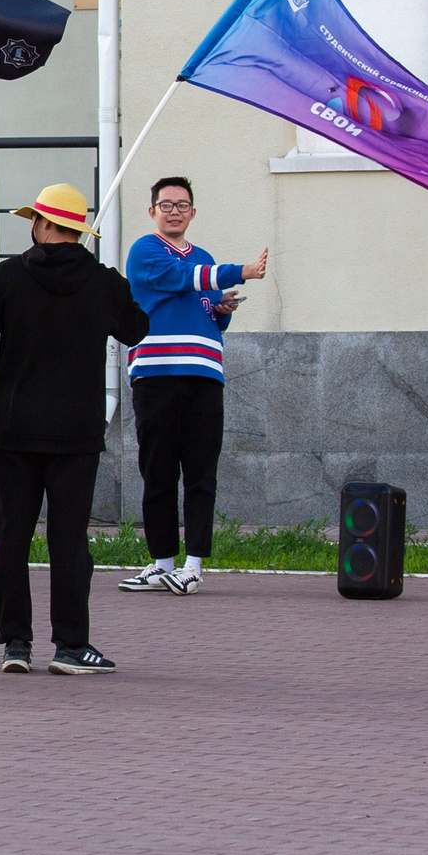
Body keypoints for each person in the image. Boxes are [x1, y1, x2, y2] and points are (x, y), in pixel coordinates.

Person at [0, 185, 149, 674]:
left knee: (11, 539)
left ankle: (16, 644)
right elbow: (137, 328)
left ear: (41, 224)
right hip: (76, 432)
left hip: (13, 428)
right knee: (69, 541)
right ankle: (71, 646)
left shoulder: (6, 277)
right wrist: (118, 288)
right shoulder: (102, 282)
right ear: (79, 231)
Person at [121, 176, 266, 593]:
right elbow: (181, 277)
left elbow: (209, 310)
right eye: (166, 205)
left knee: (201, 473)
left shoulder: (204, 259)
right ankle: (162, 562)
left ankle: (194, 565)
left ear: (193, 212)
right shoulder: (145, 251)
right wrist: (241, 272)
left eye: (182, 205)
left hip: (204, 375)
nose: (174, 212)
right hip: (155, 375)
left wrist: (222, 309)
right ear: (152, 211)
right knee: (158, 473)